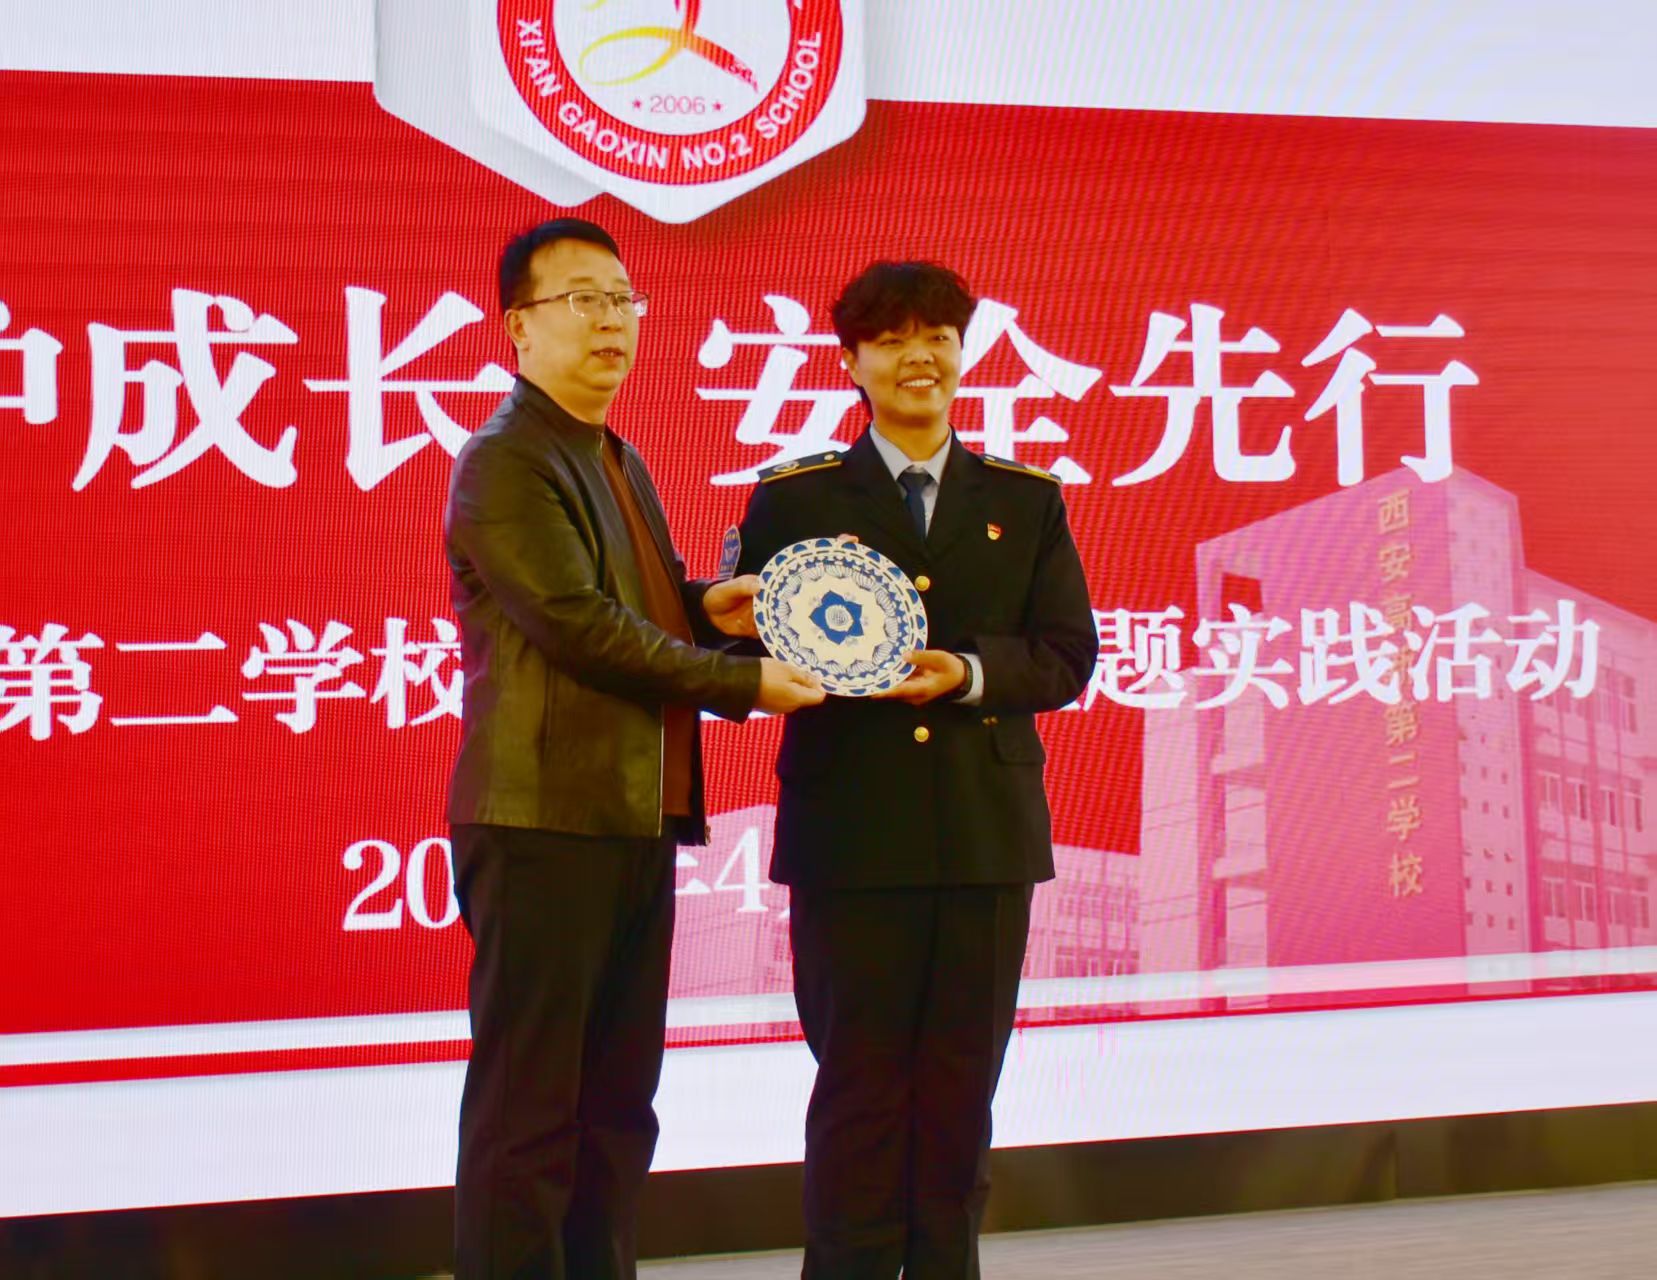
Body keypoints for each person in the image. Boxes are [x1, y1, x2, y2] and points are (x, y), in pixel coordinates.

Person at [444, 217, 824, 1280]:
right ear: (519, 325)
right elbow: (578, 625)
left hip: (626, 816)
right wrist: (742, 681)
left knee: (616, 1104)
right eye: (583, 299)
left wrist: (707, 608)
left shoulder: (616, 454)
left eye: (623, 299)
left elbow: (631, 608)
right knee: (530, 1108)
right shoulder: (506, 460)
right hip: (541, 820)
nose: (612, 320)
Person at [734, 261, 1098, 1279]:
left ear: (962, 350)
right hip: (851, 838)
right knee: (856, 1090)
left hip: (984, 839)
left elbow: (1066, 653)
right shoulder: (794, 497)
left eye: (937, 335)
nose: (918, 357)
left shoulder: (1025, 499)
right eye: (891, 339)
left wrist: (968, 672)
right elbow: (732, 645)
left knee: (958, 1094)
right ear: (851, 361)